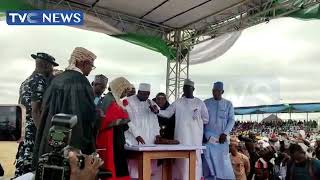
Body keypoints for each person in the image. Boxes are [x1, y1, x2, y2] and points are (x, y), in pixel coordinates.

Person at [33, 47, 98, 170]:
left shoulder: (56, 79)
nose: (91, 69)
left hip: (51, 141)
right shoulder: (82, 82)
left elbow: (44, 110)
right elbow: (86, 116)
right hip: (72, 145)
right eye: (91, 66)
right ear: (84, 63)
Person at [15, 52, 58, 177]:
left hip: (24, 128)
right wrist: (43, 135)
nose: (52, 70)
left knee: (23, 162)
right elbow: (35, 110)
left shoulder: (26, 81)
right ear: (45, 65)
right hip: (33, 129)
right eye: (51, 66)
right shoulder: (39, 80)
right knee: (30, 166)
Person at [156, 79, 209, 180]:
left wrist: (196, 119)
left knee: (195, 159)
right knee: (181, 160)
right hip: (181, 136)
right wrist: (157, 111)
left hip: (195, 138)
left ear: (193, 89)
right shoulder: (178, 102)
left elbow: (206, 119)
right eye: (184, 88)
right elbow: (167, 113)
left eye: (188, 88)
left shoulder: (200, 103)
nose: (186, 90)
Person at [96, 77, 132, 180]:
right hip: (110, 136)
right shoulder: (109, 99)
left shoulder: (114, 99)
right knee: (113, 163)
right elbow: (107, 120)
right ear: (119, 88)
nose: (125, 94)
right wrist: (123, 116)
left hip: (115, 135)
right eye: (124, 90)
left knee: (118, 162)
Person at [125, 83, 161, 179]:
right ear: (138, 92)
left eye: (147, 94)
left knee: (148, 168)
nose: (146, 96)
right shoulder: (128, 102)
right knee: (134, 166)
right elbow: (127, 120)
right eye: (143, 94)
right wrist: (136, 135)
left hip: (149, 138)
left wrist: (157, 134)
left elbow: (155, 120)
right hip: (134, 138)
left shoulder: (151, 103)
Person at [202, 81, 236, 180]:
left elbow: (232, 120)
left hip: (221, 139)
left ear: (222, 91)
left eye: (217, 91)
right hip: (209, 138)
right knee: (208, 160)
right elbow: (202, 119)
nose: (215, 93)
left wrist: (225, 133)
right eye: (213, 91)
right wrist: (203, 134)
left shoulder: (228, 104)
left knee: (222, 162)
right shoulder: (206, 103)